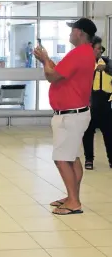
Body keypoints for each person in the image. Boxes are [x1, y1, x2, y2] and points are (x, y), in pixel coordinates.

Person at [34, 18, 97, 215]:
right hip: (75, 113)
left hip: (70, 116)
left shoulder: (79, 53)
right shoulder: (85, 53)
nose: (70, 33)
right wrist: (47, 60)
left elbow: (52, 76)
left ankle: (74, 202)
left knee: (61, 159)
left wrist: (44, 61)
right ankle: (72, 196)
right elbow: (60, 72)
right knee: (71, 157)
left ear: (80, 32)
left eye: (72, 30)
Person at [82, 37, 112, 170]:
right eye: (98, 48)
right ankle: (89, 159)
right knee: (88, 133)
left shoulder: (107, 62)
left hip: (105, 104)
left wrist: (105, 67)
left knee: (109, 134)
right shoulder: (85, 63)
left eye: (101, 49)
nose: (100, 51)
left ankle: (111, 159)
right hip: (90, 104)